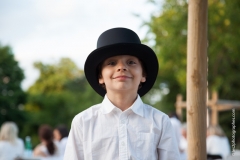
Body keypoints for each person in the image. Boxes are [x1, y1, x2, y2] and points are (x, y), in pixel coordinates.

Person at [64, 27, 180, 160]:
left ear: (143, 75)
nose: (122, 67)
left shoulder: (160, 122)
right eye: (111, 63)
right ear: (100, 77)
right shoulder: (83, 122)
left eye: (131, 62)